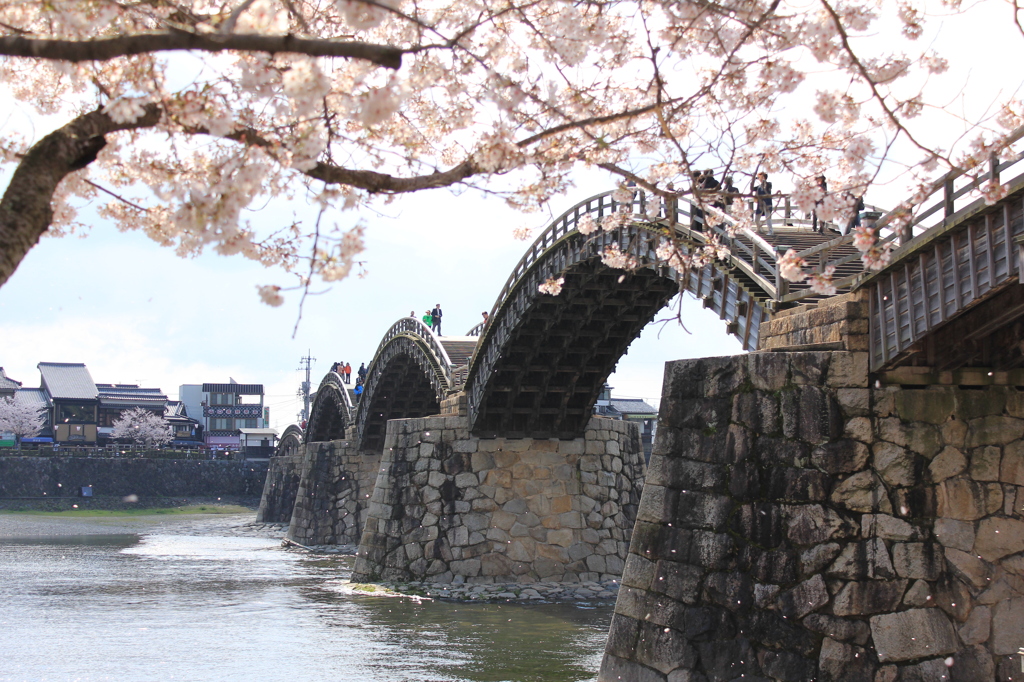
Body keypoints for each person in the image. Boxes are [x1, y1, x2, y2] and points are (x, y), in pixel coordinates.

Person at [753, 172, 773, 236]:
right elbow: (752, 188)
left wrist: (763, 178)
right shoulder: (759, 187)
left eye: (759, 177)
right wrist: (753, 180)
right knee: (756, 219)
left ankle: (770, 230)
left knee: (768, 218)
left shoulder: (769, 184)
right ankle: (759, 229)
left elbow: (765, 186)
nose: (759, 178)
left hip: (767, 203)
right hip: (760, 204)